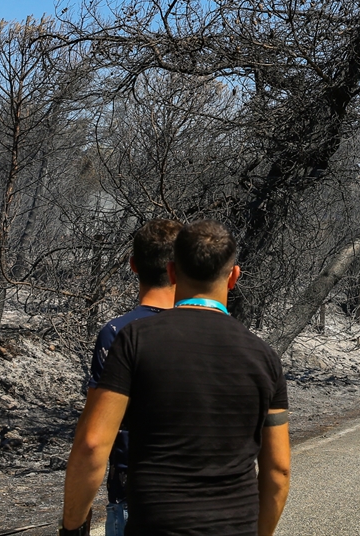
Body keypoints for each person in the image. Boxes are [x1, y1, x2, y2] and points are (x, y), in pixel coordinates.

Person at [61, 220, 290, 536]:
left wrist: (72, 528)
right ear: (234, 277)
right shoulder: (265, 357)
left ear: (171, 272)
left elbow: (91, 444)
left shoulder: (133, 340)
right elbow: (278, 470)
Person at [87, 219, 182, 536]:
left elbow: (94, 439)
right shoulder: (209, 332)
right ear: (179, 268)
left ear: (133, 265)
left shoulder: (116, 333)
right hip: (200, 498)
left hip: (133, 494)